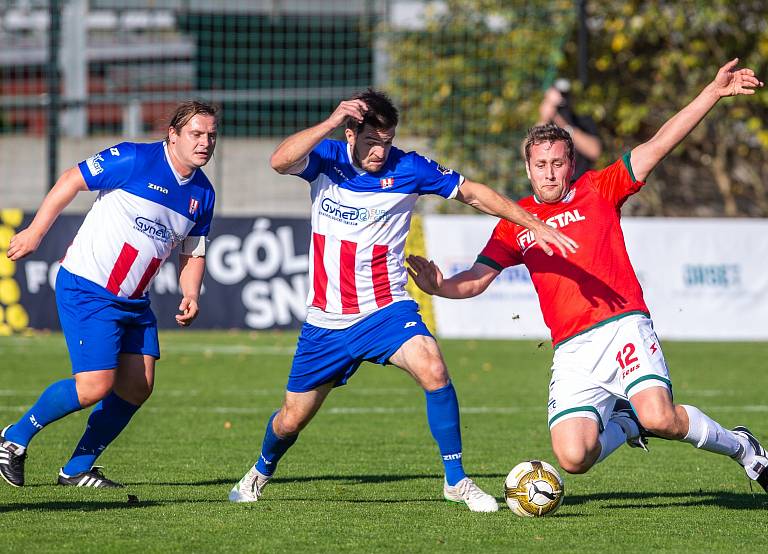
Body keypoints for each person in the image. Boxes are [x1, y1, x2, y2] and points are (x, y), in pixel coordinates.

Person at [407, 59, 768, 496]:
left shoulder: (600, 189)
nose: (550, 172)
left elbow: (660, 142)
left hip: (623, 325)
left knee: (660, 416)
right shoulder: (514, 223)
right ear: (528, 169)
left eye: (558, 163)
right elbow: (475, 279)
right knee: (574, 457)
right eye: (541, 164)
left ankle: (741, 447)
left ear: (571, 165)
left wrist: (712, 93)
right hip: (572, 349)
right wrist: (441, 287)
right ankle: (624, 424)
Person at [228, 89, 577, 512]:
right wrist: (330, 120)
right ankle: (260, 471)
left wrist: (531, 221)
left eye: (387, 141)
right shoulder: (327, 159)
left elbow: (473, 193)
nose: (380, 151)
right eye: (372, 141)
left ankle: (456, 480)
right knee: (291, 418)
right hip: (327, 321)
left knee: (432, 366)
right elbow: (279, 161)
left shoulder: (409, 168)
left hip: (385, 311)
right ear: (351, 133)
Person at [0, 101, 218, 489]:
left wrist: (191, 292)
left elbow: (193, 248)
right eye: (196, 134)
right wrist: (35, 232)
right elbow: (72, 179)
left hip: (135, 302)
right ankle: (13, 439)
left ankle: (76, 468)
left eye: (211, 135)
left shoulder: (203, 193)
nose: (205, 142)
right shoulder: (134, 158)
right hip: (89, 287)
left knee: (137, 386)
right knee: (94, 386)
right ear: (173, 134)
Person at [538, 78, 601, 180]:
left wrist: (561, 122)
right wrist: (544, 118)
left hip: (580, 184)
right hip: (552, 185)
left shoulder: (582, 121)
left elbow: (595, 151)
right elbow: (526, 152)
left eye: (565, 96)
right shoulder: (545, 125)